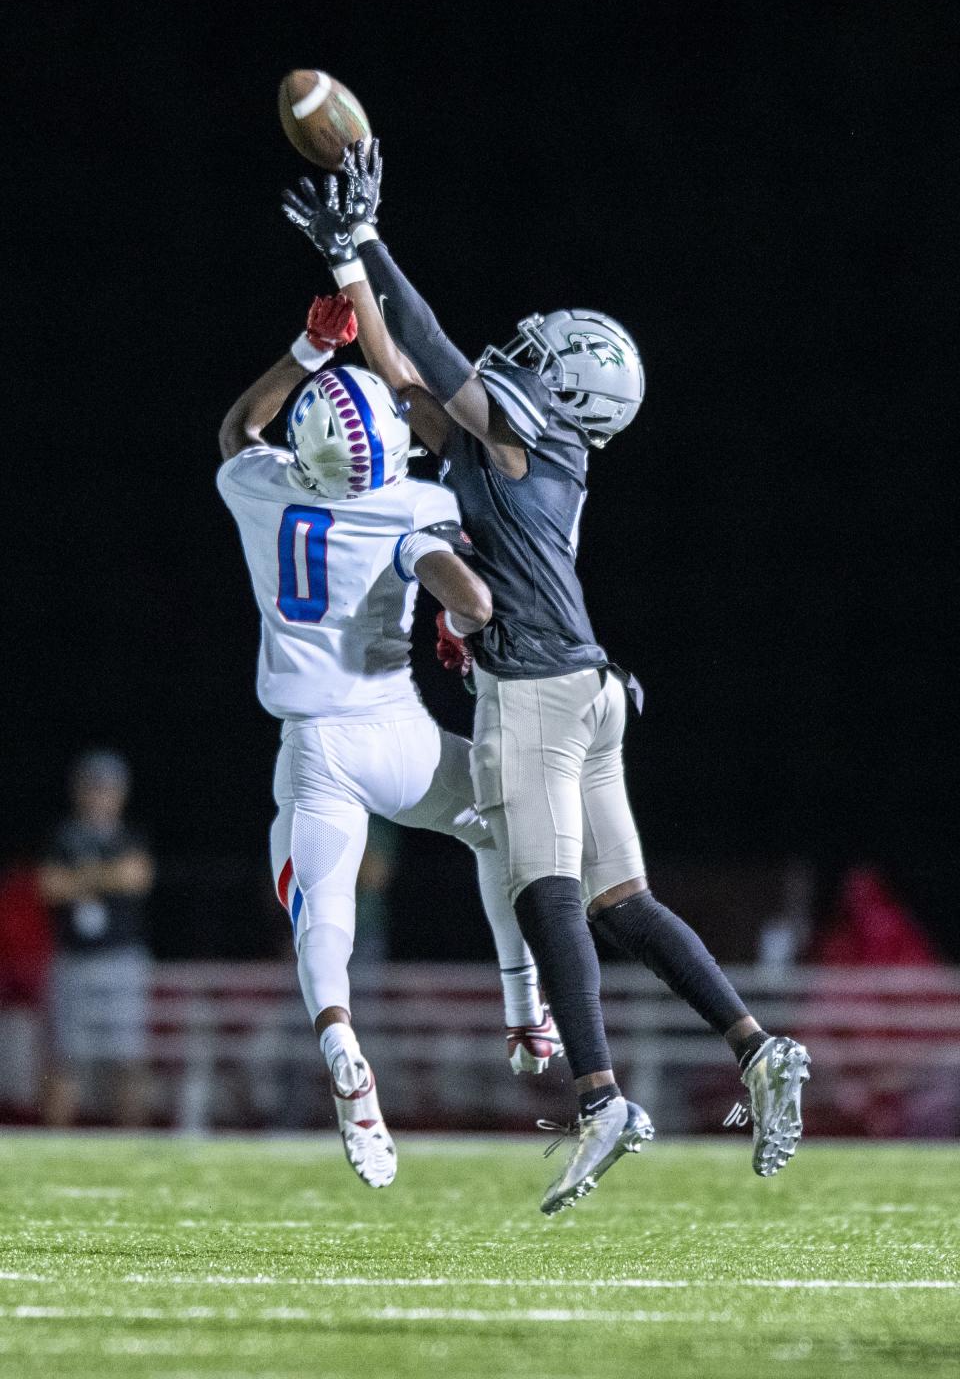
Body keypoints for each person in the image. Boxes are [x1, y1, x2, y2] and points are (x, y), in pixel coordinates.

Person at [282, 143, 811, 1212]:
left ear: (568, 388)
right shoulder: (514, 448)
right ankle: (757, 1048)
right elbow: (406, 374)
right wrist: (347, 271)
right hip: (590, 686)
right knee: (622, 898)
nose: (519, 359)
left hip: (535, 691)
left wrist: (368, 241)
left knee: (544, 891)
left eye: (540, 356)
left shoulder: (535, 437)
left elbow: (431, 352)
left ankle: (601, 1095)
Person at [217, 293, 561, 1189]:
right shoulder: (412, 504)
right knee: (496, 826)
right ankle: (526, 1011)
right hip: (393, 731)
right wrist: (458, 612)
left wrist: (306, 348)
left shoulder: (262, 489)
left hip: (311, 747)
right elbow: (477, 603)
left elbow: (238, 430)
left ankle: (342, 1047)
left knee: (319, 927)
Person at [37, 750, 154, 1127]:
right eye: (92, 788)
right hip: (74, 960)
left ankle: (134, 1150)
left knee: (128, 1059)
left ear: (120, 793)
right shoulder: (62, 836)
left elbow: (137, 877)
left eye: (107, 789)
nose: (99, 796)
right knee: (65, 1059)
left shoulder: (131, 836)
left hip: (122, 959)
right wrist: (107, 877)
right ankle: (53, 1150)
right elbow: (49, 887)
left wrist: (82, 879)